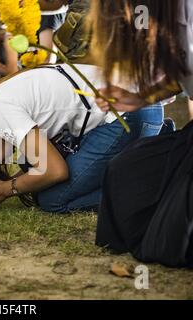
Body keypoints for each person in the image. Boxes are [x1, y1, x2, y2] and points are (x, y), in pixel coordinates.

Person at [0, 64, 164, 212]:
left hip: (130, 114)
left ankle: (156, 185)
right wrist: (8, 185)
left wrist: (5, 189)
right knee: (31, 169)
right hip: (136, 108)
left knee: (52, 199)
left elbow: (54, 170)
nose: (3, 164)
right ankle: (155, 147)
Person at [88, 0, 193, 268]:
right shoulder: (167, 26)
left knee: (170, 238)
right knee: (124, 170)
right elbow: (183, 73)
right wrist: (137, 98)